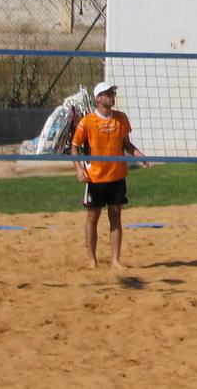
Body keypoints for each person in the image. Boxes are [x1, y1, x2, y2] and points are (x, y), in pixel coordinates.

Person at [71, 82, 149, 269]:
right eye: (107, 94)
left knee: (115, 218)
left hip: (117, 176)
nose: (112, 96)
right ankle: (92, 260)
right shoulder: (87, 122)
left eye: (112, 93)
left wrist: (140, 156)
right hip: (95, 178)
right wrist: (79, 169)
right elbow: (74, 147)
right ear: (98, 98)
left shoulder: (121, 118)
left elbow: (127, 144)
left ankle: (115, 260)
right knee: (92, 218)